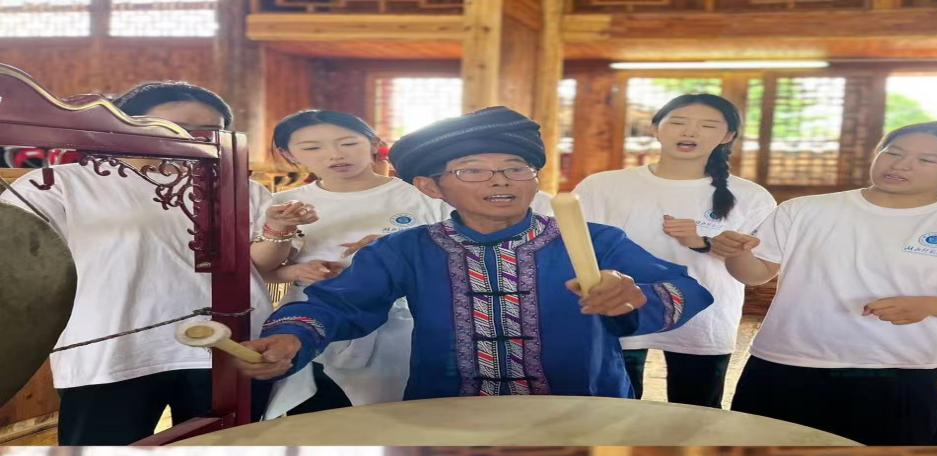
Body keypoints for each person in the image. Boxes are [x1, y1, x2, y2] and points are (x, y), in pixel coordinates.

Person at [232, 106, 714, 400]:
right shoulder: (408, 249)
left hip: (580, 405)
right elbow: (337, 305)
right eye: (472, 170)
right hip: (449, 408)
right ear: (431, 187)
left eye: (516, 168)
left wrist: (636, 298)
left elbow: (686, 288)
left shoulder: (594, 240)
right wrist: (292, 337)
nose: (501, 180)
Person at [0, 81, 275, 445]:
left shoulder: (242, 188)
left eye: (207, 132)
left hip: (226, 345)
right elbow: (19, 259)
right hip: (110, 350)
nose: (188, 140)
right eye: (172, 129)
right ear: (123, 127)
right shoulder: (55, 184)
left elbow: (268, 263)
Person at [720, 121, 937, 445]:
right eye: (893, 153)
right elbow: (754, 274)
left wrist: (927, 305)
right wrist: (736, 253)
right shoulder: (804, 210)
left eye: (926, 160)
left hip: (903, 372)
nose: (901, 165)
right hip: (787, 363)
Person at [574, 93, 776, 407]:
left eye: (707, 125)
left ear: (728, 136)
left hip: (706, 318)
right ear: (656, 128)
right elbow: (576, 247)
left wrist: (711, 244)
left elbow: (759, 273)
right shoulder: (601, 186)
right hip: (618, 310)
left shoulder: (750, 196)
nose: (690, 132)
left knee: (697, 412)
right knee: (614, 410)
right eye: (678, 122)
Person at [252, 110, 448, 418]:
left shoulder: (423, 198)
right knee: (319, 420)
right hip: (310, 323)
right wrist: (295, 262)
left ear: (374, 144)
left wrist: (393, 253)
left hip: (401, 327)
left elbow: (457, 259)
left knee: (398, 419)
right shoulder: (284, 203)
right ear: (289, 154)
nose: (335, 155)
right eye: (312, 147)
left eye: (348, 143)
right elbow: (262, 269)